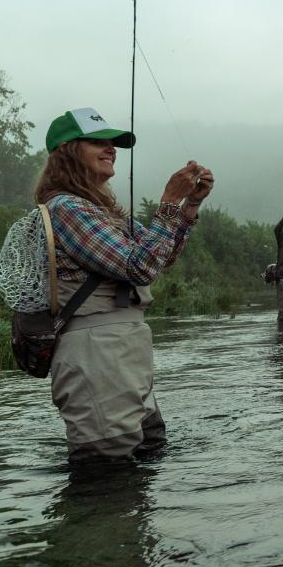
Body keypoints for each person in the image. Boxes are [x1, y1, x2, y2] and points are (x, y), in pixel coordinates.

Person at [35, 106, 214, 464]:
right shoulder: (67, 208)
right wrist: (167, 203)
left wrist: (189, 204)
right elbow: (142, 266)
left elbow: (162, 256)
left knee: (150, 451)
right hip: (95, 353)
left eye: (113, 143)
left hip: (123, 349)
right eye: (97, 141)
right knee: (108, 474)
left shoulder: (104, 212)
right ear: (67, 151)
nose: (110, 148)